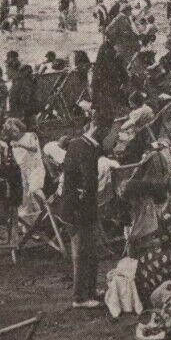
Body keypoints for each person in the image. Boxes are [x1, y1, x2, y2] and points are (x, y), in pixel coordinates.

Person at [61, 115, 106, 309]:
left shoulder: (79, 144)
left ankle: (90, 289)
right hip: (78, 210)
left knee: (91, 251)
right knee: (82, 252)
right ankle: (80, 297)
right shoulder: (85, 149)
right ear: (98, 129)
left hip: (81, 207)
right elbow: (87, 183)